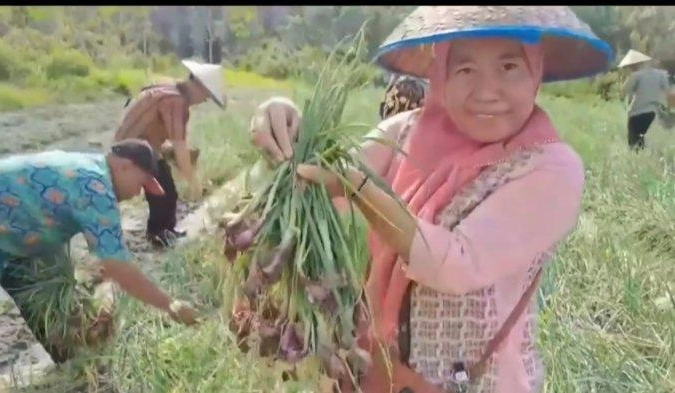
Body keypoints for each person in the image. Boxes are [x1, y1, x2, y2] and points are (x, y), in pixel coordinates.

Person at [248, 6, 612, 393]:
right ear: (440, 74)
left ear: (535, 73)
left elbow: (454, 264)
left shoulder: (550, 167)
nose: (487, 92)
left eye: (509, 67)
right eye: (465, 69)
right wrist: (285, 122)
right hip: (373, 369)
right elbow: (314, 182)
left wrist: (360, 189)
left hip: (474, 382)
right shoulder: (403, 132)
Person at [0, 139, 199, 364]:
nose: (136, 194)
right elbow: (117, 265)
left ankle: (74, 365)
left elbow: (105, 262)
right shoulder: (95, 187)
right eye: (140, 184)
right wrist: (169, 305)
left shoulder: (89, 171)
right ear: (125, 166)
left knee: (57, 320)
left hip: (13, 235)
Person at [115, 59, 227, 248]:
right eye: (206, 95)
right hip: (134, 149)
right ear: (198, 85)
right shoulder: (176, 101)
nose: (204, 100)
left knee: (162, 186)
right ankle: (160, 233)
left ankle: (162, 230)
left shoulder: (166, 89)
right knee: (166, 191)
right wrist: (193, 182)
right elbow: (179, 144)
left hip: (131, 144)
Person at [618, 49, 671, 150]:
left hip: (637, 112)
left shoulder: (635, 75)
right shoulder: (661, 74)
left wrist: (625, 80)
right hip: (655, 112)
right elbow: (668, 92)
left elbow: (624, 92)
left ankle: (637, 158)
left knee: (634, 142)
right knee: (648, 140)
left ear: (634, 65)